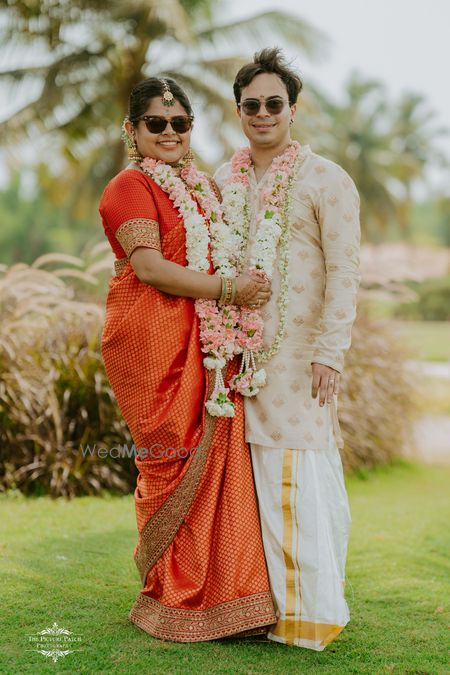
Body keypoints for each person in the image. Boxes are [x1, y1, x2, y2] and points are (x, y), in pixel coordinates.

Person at [98, 76, 277, 642]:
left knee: (220, 458)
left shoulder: (199, 186)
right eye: (156, 123)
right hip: (151, 340)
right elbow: (149, 269)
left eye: (180, 123)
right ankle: (173, 595)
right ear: (132, 129)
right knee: (169, 458)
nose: (170, 132)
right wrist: (229, 290)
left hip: (205, 340)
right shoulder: (128, 187)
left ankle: (232, 595)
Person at [214, 48, 361, 651]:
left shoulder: (327, 178)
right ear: (240, 111)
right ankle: (260, 606)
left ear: (293, 110)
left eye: (275, 103)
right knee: (253, 484)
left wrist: (330, 352)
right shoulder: (225, 178)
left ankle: (309, 615)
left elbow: (346, 271)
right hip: (239, 361)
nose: (263, 113)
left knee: (298, 478)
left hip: (301, 363)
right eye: (252, 105)